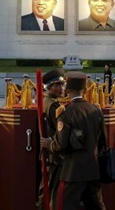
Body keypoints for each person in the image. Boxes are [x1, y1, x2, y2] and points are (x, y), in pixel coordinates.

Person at [42, 71, 106, 210]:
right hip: (93, 169)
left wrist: (48, 144)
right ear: (84, 89)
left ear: (67, 90)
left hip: (72, 172)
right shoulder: (96, 110)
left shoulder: (65, 112)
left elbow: (61, 144)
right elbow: (103, 141)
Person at [39, 68, 66, 210]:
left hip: (49, 154)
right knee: (52, 192)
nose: (62, 88)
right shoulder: (54, 105)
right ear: (49, 87)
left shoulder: (47, 101)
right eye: (57, 85)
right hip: (54, 155)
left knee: (46, 189)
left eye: (62, 85)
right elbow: (61, 131)